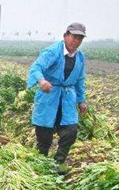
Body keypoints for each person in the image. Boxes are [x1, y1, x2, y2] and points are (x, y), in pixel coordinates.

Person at [27, 22, 88, 174]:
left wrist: (81, 100)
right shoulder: (53, 52)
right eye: (74, 37)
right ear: (66, 36)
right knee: (44, 133)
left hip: (67, 98)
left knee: (70, 131)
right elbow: (36, 68)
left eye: (80, 38)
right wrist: (42, 81)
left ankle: (59, 161)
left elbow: (80, 79)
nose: (76, 41)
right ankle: (42, 161)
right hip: (49, 96)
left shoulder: (80, 57)